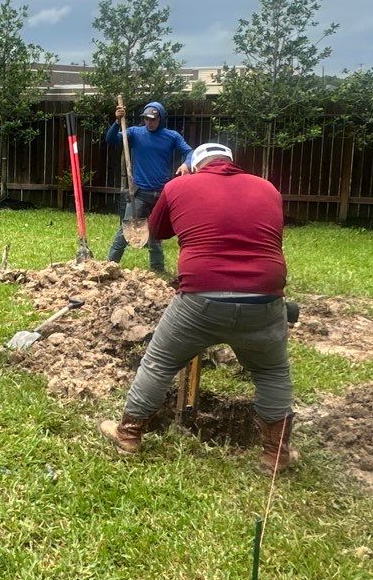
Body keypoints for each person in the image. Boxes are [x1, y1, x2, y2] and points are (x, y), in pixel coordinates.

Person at [105, 139, 294, 469]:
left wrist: (182, 188)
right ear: (231, 162)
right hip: (265, 300)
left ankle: (129, 435)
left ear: (194, 165)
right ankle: (275, 455)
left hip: (200, 298)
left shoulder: (180, 185)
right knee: (272, 372)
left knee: (159, 362)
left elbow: (159, 230)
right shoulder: (267, 188)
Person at [104, 96, 192, 274]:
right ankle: (109, 265)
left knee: (156, 233)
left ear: (161, 119)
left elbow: (190, 152)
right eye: (146, 119)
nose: (149, 123)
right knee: (126, 230)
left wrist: (187, 163)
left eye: (153, 119)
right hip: (139, 194)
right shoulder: (135, 133)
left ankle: (157, 269)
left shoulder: (171, 137)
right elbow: (111, 140)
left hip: (161, 195)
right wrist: (116, 121)